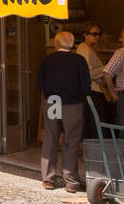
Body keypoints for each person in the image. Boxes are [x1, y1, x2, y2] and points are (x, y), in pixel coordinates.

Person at [37, 31, 91, 193]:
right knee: (71, 141)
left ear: (56, 44)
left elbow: (39, 82)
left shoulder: (48, 60)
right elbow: (86, 85)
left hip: (53, 102)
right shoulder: (79, 60)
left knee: (51, 138)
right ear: (73, 44)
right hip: (72, 105)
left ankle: (48, 178)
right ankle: (71, 181)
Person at [76, 24, 114, 130]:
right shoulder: (85, 49)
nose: (97, 37)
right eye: (94, 34)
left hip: (96, 89)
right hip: (93, 89)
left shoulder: (89, 49)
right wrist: (107, 67)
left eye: (99, 34)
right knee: (96, 121)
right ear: (85, 35)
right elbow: (88, 72)